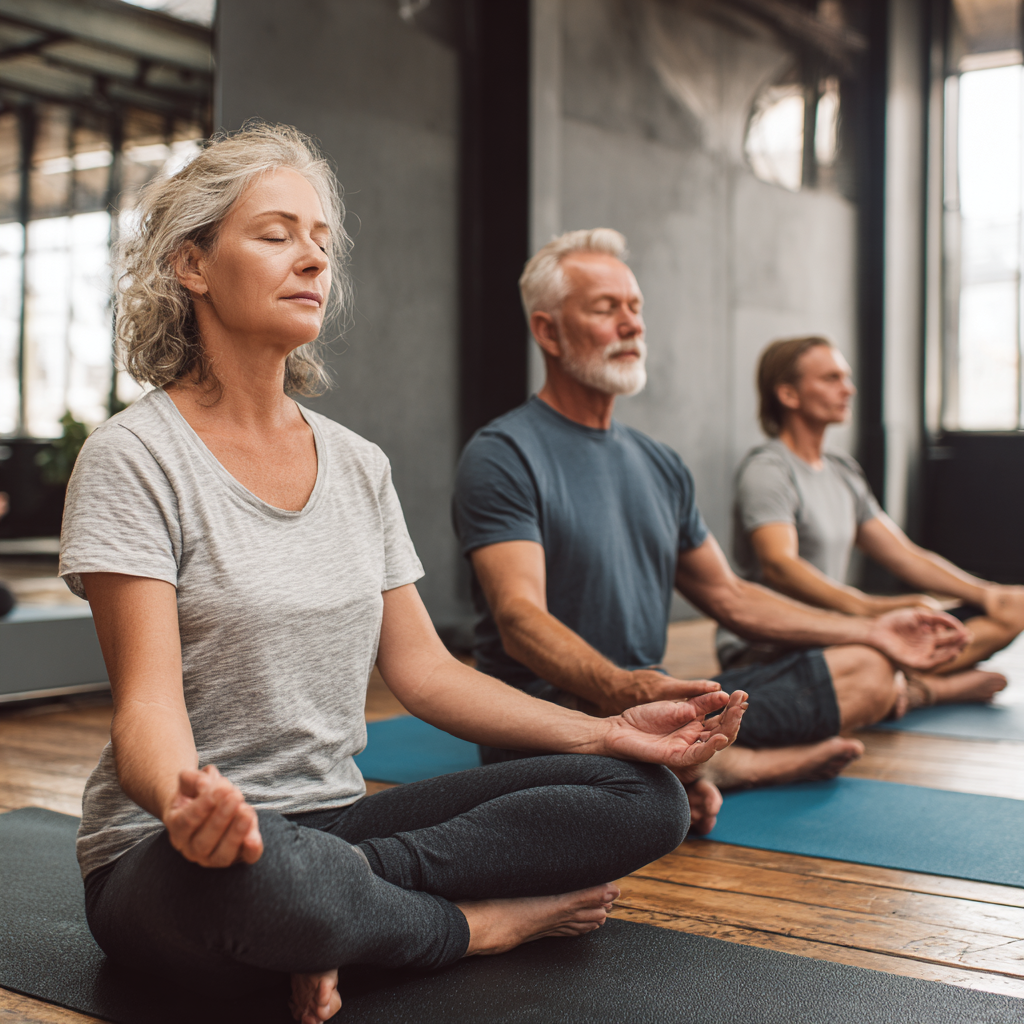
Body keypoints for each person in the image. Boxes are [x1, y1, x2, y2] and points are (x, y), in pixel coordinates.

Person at [59, 125, 749, 1024]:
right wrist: (184, 800)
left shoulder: (357, 465)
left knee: (645, 797)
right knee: (258, 884)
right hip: (171, 851)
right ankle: (476, 928)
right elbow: (145, 703)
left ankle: (339, 922)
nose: (309, 257)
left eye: (319, 241)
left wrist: (609, 732)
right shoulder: (134, 458)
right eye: (275, 235)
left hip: (333, 830)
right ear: (192, 264)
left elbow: (425, 671)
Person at [452, 229, 969, 833]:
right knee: (615, 777)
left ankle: (691, 768)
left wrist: (874, 629)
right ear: (548, 332)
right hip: (557, 714)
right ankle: (716, 768)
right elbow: (519, 619)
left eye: (636, 308)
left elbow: (731, 596)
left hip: (657, 701)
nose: (631, 325)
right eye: (606, 309)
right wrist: (627, 690)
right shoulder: (504, 453)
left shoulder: (660, 463)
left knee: (869, 670)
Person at [725, 334, 1022, 706]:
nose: (847, 389)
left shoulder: (842, 471)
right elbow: (779, 566)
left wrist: (987, 593)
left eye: (846, 377)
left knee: (1013, 611)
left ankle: (895, 686)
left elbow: (904, 555)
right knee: (873, 655)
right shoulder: (768, 470)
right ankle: (923, 690)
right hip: (774, 646)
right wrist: (869, 609)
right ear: (788, 394)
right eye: (831, 378)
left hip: (847, 633)